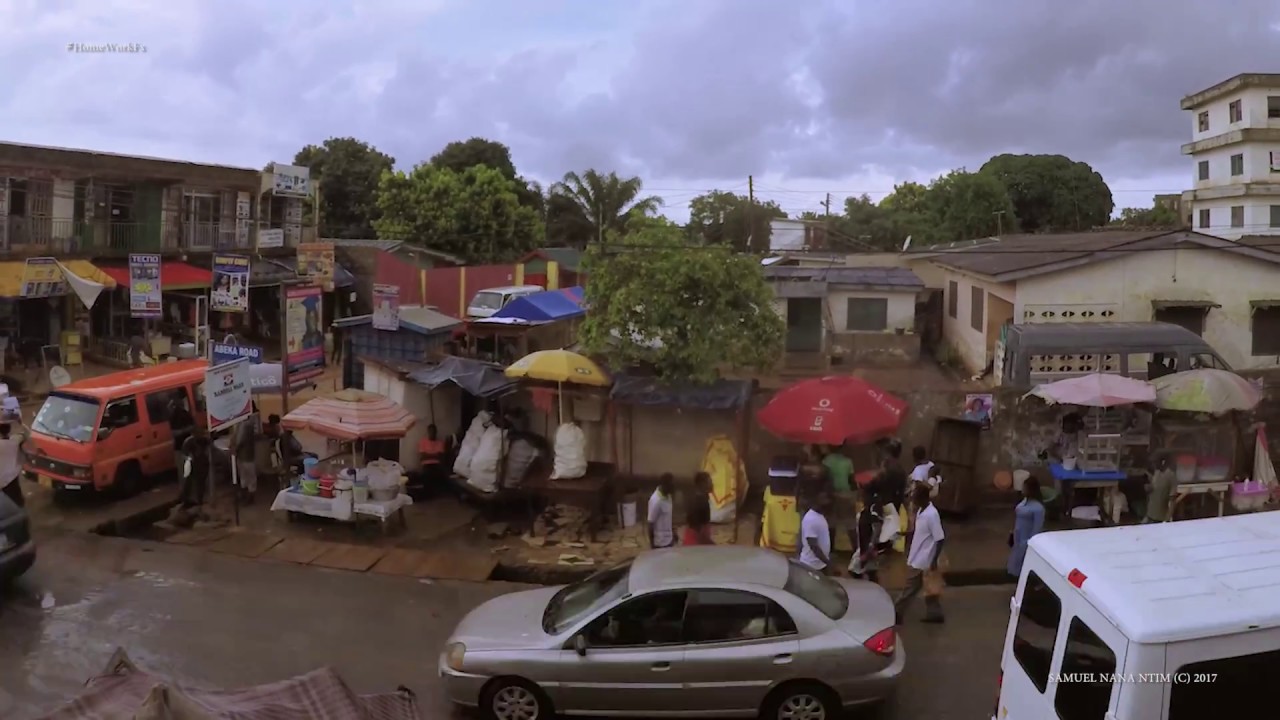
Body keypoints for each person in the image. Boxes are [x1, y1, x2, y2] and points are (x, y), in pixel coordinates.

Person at [895, 483, 946, 624]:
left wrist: (934, 561)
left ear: (922, 498)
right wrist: (904, 534)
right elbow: (918, 532)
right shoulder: (921, 512)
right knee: (930, 589)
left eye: (914, 497)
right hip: (918, 556)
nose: (913, 500)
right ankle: (935, 613)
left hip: (923, 559)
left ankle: (897, 612)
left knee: (910, 588)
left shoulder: (931, 515)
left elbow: (940, 538)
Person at [1007, 476, 1046, 578]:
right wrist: (1012, 532)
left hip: (1026, 538)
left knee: (1024, 561)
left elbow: (1038, 527)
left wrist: (1031, 541)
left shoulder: (1038, 508)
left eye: (1025, 488)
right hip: (1018, 536)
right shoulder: (1023, 502)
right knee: (1016, 559)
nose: (1023, 490)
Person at [799, 492, 836, 575]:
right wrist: (829, 563)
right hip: (811, 566)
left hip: (819, 565)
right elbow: (813, 546)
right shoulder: (811, 519)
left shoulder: (819, 516)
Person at [179, 428, 211, 509]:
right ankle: (187, 500)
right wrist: (189, 459)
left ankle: (198, 501)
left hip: (201, 464)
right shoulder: (189, 441)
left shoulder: (203, 440)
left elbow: (209, 445)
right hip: (192, 465)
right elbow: (184, 454)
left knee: (200, 483)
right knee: (189, 483)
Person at [233, 413, 258, 503]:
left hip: (244, 454)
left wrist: (235, 448)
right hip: (246, 454)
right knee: (248, 476)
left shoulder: (245, 425)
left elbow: (240, 440)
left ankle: (248, 496)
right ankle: (247, 495)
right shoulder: (248, 423)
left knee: (246, 476)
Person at [169, 394, 195, 479]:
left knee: (183, 471)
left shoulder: (177, 415)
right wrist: (185, 430)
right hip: (185, 446)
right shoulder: (181, 414)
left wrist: (182, 431)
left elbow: (174, 432)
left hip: (182, 447)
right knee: (188, 470)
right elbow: (192, 426)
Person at [1145, 454, 1176, 523]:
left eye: (1155, 463)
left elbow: (1172, 501)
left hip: (1160, 519)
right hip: (1149, 516)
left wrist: (1167, 519)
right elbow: (1153, 488)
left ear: (1163, 462)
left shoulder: (1170, 476)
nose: (1153, 465)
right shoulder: (1156, 473)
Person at [646, 473, 675, 549]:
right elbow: (650, 524)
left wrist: (673, 533)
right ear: (665, 485)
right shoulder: (655, 500)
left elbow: (668, 517)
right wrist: (652, 545)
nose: (673, 488)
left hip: (669, 541)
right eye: (671, 486)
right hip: (660, 544)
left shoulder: (669, 497)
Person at [0, 423, 24, 508]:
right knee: (16, 496)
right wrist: (21, 423)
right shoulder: (15, 440)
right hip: (12, 475)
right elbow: (25, 434)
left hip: (3, 478)